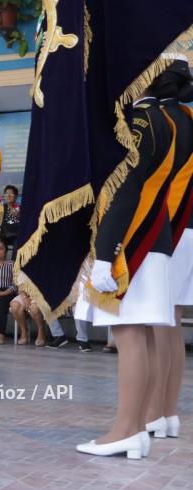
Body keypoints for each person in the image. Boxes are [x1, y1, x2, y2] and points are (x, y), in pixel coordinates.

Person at [74, 72, 175, 459]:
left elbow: (123, 187)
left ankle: (125, 429)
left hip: (130, 245)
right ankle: (135, 428)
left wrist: (105, 251)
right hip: (153, 239)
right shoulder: (161, 120)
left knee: (130, 336)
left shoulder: (133, 122)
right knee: (142, 337)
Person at [145, 55, 193, 441]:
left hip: (166, 228)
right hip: (188, 229)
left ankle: (152, 415)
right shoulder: (189, 119)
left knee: (157, 324)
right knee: (171, 323)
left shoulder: (158, 121)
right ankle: (168, 413)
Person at [0, 185, 20, 259]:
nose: (8, 196)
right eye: (6, 194)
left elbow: (26, 224)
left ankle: (13, 266)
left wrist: (19, 216)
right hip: (4, 234)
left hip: (17, 235)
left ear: (16, 196)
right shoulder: (1, 208)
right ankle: (0, 265)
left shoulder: (21, 208)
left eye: (11, 194)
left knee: (17, 245)